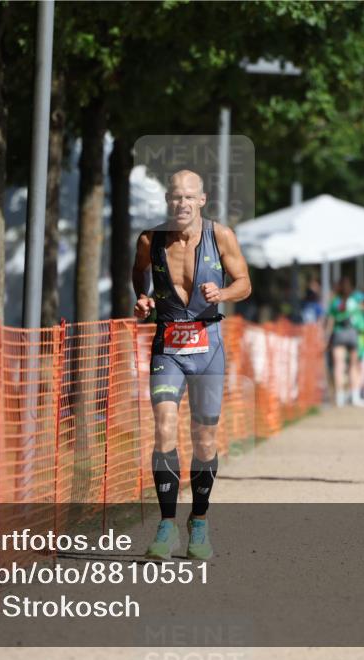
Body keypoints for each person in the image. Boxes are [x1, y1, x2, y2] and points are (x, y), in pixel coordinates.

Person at [131, 170, 252, 560]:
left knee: (204, 440)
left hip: (208, 346)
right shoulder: (150, 239)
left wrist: (223, 292)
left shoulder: (221, 236)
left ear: (202, 200)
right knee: (164, 426)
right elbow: (139, 271)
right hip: (167, 345)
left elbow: (245, 282)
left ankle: (198, 521)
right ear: (167, 200)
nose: (181, 203)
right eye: (175, 197)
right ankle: (166, 526)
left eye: (188, 197)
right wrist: (143, 297)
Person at [326, 276, 364, 407]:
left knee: (339, 366)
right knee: (353, 366)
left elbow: (330, 320)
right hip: (353, 334)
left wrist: (327, 338)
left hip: (338, 334)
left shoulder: (335, 302)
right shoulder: (356, 299)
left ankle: (339, 398)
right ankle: (355, 396)